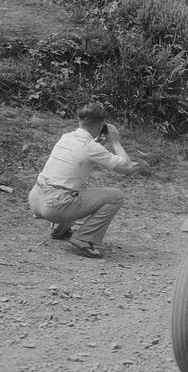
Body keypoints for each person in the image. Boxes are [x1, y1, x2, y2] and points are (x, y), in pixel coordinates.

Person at [28, 103, 143, 258]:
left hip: (36, 199)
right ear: (101, 124)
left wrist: (100, 138)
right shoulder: (90, 147)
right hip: (55, 207)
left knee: (74, 188)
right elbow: (126, 167)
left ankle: (59, 229)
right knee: (115, 196)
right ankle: (84, 239)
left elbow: (88, 151)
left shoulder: (66, 137)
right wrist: (115, 141)